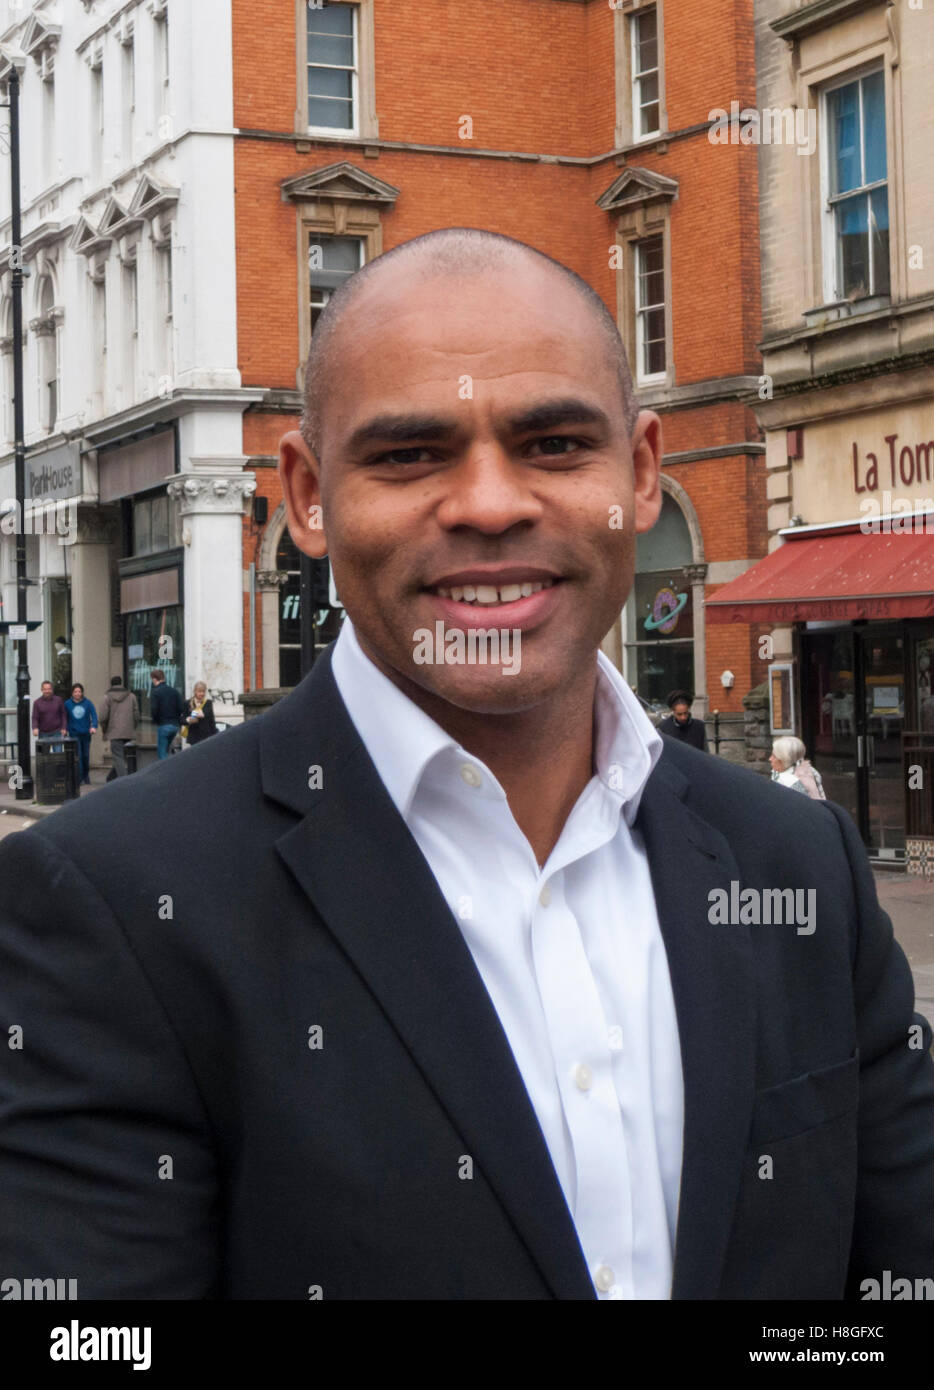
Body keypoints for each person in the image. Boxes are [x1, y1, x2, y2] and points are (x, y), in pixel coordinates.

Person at [0, 229, 932, 1301]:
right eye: (409, 454)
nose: (490, 504)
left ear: (637, 471)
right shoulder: (114, 903)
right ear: (307, 494)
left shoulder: (796, 859)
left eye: (552, 445)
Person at [98, 675, 139, 779]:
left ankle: (123, 781)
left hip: (114, 732)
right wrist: (133, 726)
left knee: (118, 757)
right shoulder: (131, 696)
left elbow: (103, 716)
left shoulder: (107, 697)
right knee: (123, 757)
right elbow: (136, 714)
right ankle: (111, 778)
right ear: (121, 683)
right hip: (128, 732)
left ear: (111, 684)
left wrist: (104, 727)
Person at [770, 735, 826, 800]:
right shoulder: (780, 772)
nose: (770, 759)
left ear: (784, 759)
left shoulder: (791, 781)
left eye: (774, 756)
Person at [64, 683, 98, 786]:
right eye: (75, 692)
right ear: (72, 693)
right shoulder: (67, 704)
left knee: (86, 755)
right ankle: (79, 777)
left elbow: (94, 715)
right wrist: (64, 729)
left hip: (86, 733)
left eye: (79, 691)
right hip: (74, 734)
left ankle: (86, 775)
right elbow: (64, 718)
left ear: (82, 692)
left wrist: (94, 726)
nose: (77, 693)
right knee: (78, 755)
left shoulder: (88, 703)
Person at [149, 668, 184, 759]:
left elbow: (154, 710)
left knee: (162, 754)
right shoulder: (174, 691)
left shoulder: (156, 692)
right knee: (167, 750)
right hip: (175, 725)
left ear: (154, 679)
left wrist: (156, 721)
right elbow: (181, 709)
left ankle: (165, 772)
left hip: (163, 725)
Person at [181, 681, 217, 748]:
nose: (202, 694)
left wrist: (214, 735)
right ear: (195, 691)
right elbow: (182, 720)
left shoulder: (208, 703)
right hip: (194, 736)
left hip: (207, 736)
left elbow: (211, 720)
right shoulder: (187, 703)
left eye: (203, 691)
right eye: (200, 691)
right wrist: (188, 720)